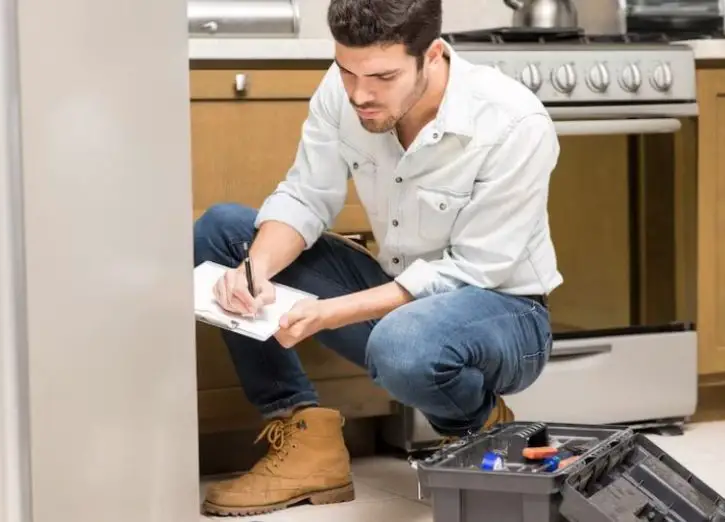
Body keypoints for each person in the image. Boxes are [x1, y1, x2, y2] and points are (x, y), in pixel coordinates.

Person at [193, 0, 562, 516]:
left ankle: (480, 429)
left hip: (503, 313)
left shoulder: (512, 121)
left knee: (403, 342)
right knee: (223, 231)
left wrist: (329, 312)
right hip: (395, 294)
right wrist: (254, 269)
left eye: (383, 77)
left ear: (432, 55)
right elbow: (305, 196)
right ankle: (305, 442)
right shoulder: (344, 89)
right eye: (348, 71)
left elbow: (474, 269)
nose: (360, 94)